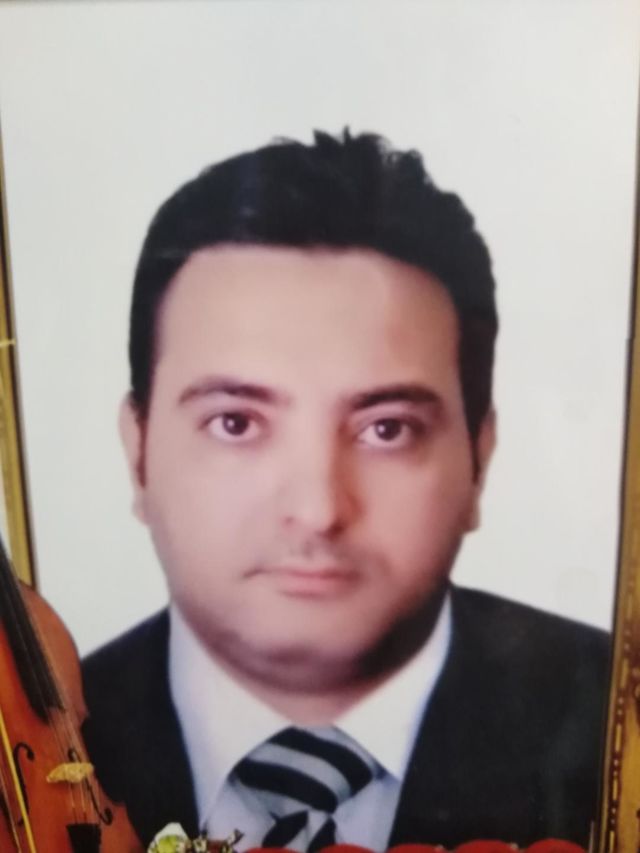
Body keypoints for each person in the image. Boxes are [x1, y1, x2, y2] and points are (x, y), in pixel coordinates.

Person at [81, 130, 609, 851]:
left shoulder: (616, 723)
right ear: (138, 449)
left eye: (386, 429)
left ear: (479, 457)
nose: (319, 511)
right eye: (236, 422)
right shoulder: (45, 739)